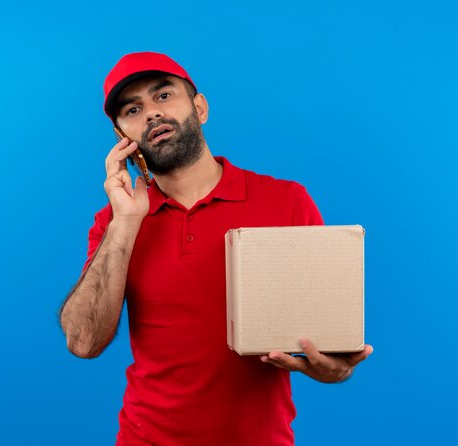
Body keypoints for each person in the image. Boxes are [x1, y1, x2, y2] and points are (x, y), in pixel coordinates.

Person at [59, 51, 373, 446]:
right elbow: (83, 341)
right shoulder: (115, 222)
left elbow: (332, 341)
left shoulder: (287, 200)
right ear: (123, 139)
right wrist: (125, 222)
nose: (152, 114)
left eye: (163, 96)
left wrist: (334, 369)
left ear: (200, 107)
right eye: (133, 109)